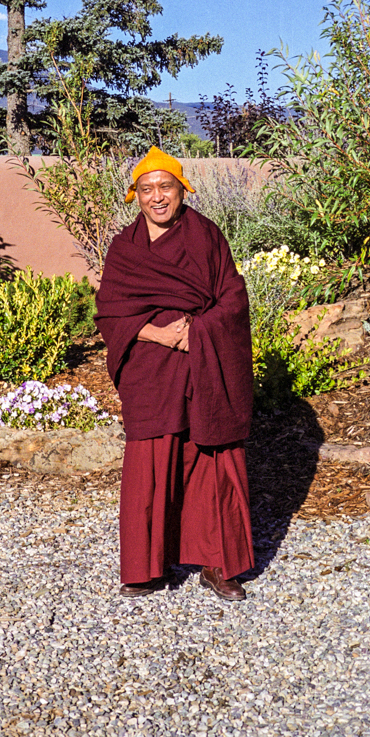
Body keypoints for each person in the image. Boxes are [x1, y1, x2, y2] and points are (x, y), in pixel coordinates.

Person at [94, 146, 255, 601]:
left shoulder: (205, 236)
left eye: (166, 186)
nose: (157, 197)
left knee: (213, 457)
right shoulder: (125, 248)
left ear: (183, 190)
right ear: (135, 196)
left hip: (206, 360)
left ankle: (219, 565)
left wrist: (200, 332)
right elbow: (109, 314)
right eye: (147, 189)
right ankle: (146, 566)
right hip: (151, 366)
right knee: (150, 462)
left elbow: (234, 298)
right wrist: (160, 336)